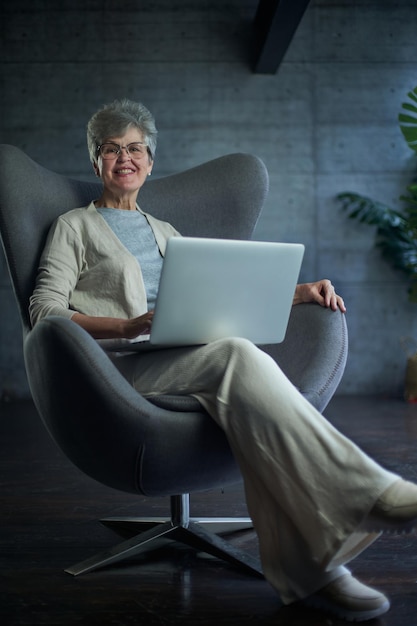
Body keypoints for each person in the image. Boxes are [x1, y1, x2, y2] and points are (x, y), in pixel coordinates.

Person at [29, 99, 417, 622]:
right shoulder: (74, 225)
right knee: (237, 355)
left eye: (136, 148)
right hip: (118, 370)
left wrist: (300, 292)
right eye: (112, 149)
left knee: (248, 388)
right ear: (96, 161)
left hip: (191, 354)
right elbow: (45, 311)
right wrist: (127, 325)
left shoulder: (166, 231)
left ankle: (311, 573)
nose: (126, 157)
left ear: (150, 160)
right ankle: (370, 495)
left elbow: (217, 300)